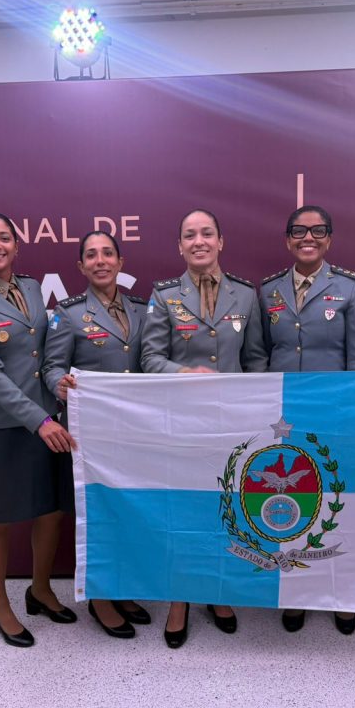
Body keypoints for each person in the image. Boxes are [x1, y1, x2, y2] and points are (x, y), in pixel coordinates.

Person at [0, 212, 77, 648]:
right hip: (2, 424)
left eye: (4, 237)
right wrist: (38, 419)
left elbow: (40, 358)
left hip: (44, 417)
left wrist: (58, 385)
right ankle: (0, 606)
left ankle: (39, 590)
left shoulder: (33, 288)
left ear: (17, 245)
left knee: (50, 511)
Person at [141, 208, 268, 648]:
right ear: (179, 246)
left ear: (220, 241)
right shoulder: (163, 296)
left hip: (229, 425)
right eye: (189, 235)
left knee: (224, 508)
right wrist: (183, 374)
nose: (199, 241)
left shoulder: (247, 296)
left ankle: (216, 591)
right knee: (182, 510)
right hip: (181, 423)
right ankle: (179, 599)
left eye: (207, 233)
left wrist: (251, 408)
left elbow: (256, 361)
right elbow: (149, 359)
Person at [260, 204, 355, 636]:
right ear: (288, 239)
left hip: (334, 414)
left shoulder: (348, 286)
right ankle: (298, 591)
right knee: (293, 505)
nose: (308, 237)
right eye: (299, 231)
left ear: (329, 238)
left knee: (337, 507)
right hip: (284, 417)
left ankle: (340, 593)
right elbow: (260, 352)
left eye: (318, 230)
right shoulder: (268, 290)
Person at [43, 230, 151, 639]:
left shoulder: (144, 310)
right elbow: (51, 367)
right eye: (91, 255)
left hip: (136, 430)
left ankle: (121, 588)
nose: (101, 260)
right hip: (93, 435)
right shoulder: (67, 314)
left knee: (128, 509)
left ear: (121, 262)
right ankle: (100, 598)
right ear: (81, 267)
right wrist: (60, 383)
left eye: (108, 253)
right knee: (98, 514)